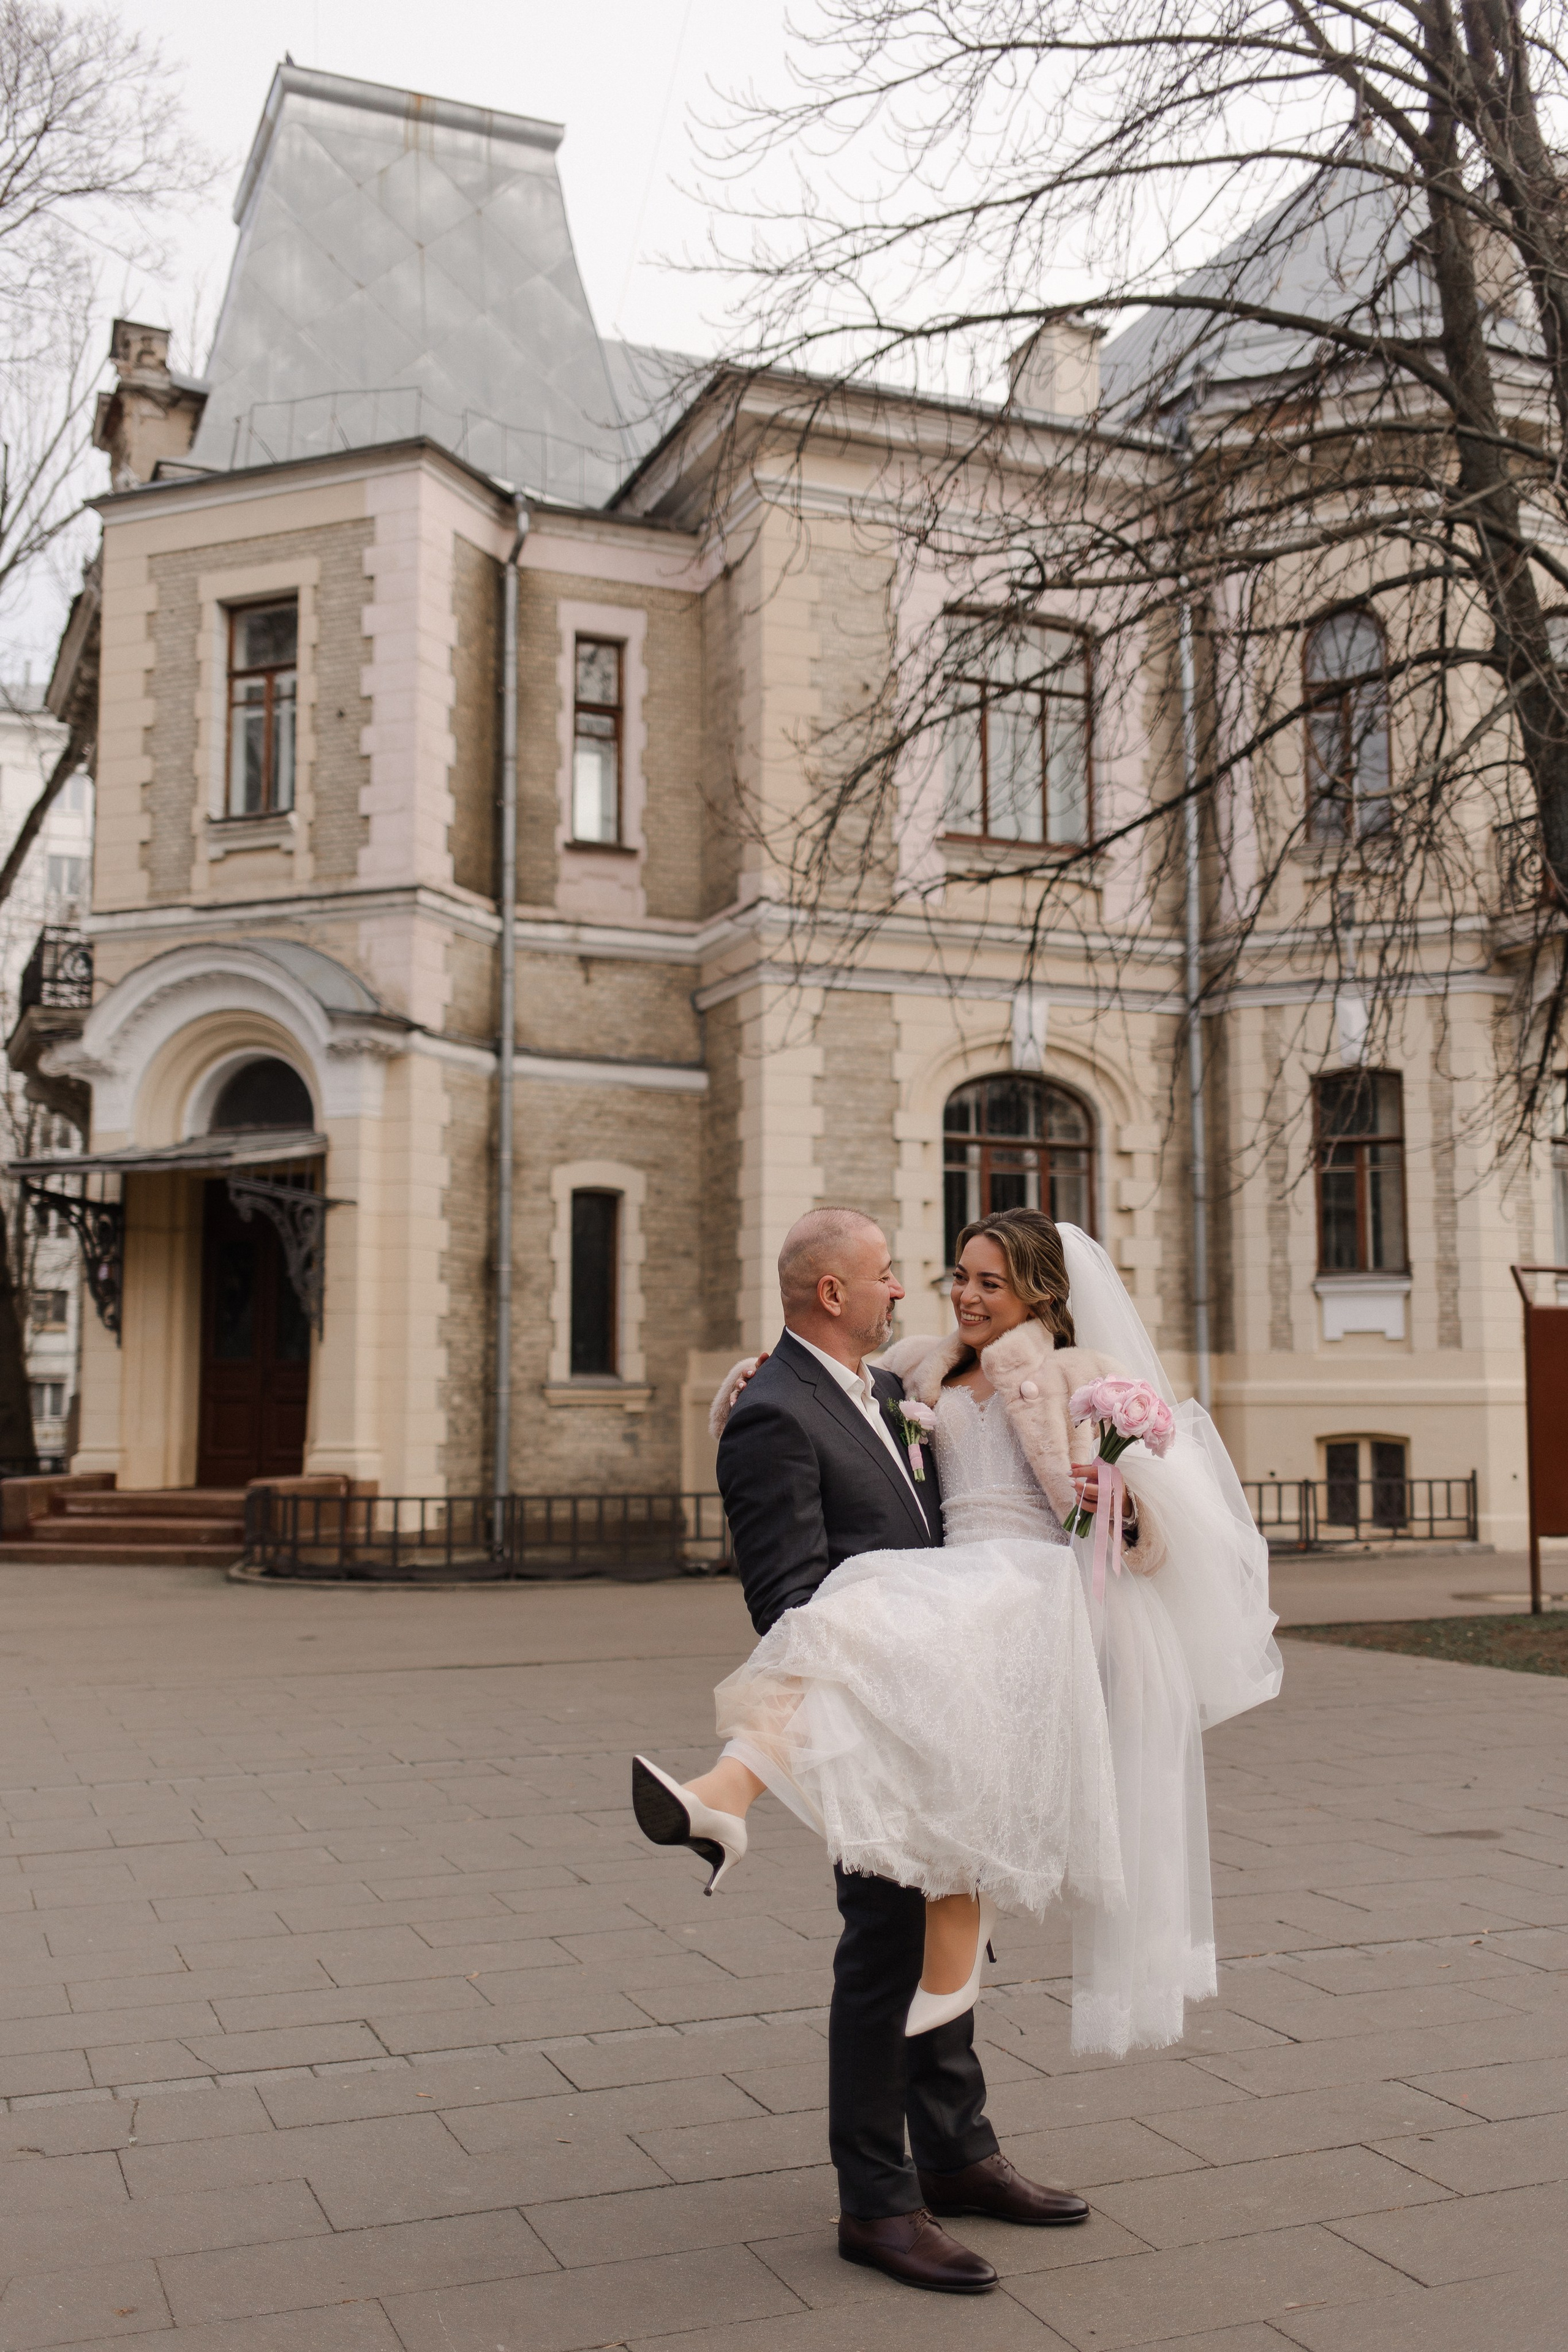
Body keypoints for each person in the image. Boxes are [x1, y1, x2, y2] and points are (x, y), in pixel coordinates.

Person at [631, 1205, 1281, 2294]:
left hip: (987, 1656)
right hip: (886, 1695)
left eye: (974, 1278)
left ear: (1033, 1293)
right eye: (903, 1275)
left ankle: (959, 2155)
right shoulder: (778, 1409)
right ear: (836, 1294)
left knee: (949, 1925)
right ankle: (878, 2206)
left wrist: (1112, 1503)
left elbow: (1111, 1511)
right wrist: (859, 1705)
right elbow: (786, 1596)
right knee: (887, 1947)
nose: (925, 1291)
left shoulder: (901, 1385)